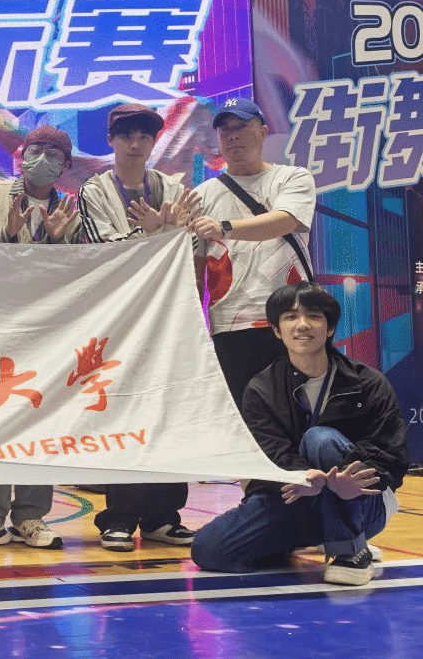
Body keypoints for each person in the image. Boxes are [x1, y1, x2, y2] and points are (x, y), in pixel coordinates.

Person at [191, 282, 408, 586]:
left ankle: (350, 551)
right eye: (290, 317)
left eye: (314, 316)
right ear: (277, 330)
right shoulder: (261, 389)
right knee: (210, 550)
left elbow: (391, 454)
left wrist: (352, 479)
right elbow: (269, 455)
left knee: (320, 439)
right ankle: (318, 535)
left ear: (330, 328)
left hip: (361, 501)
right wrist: (304, 477)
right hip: (296, 496)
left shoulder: (367, 382)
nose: (302, 325)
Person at [77, 103, 199, 551]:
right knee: (122, 414)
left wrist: (166, 233)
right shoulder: (93, 191)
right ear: (111, 141)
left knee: (169, 412)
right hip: (119, 320)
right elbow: (105, 251)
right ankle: (120, 518)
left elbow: (193, 242)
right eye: (126, 135)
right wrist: (155, 234)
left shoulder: (174, 187)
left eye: (144, 136)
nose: (135, 144)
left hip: (168, 317)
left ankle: (163, 516)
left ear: (153, 142)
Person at [0, 123, 80, 551]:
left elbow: (87, 270)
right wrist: (7, 235)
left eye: (53, 154)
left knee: (40, 421)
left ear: (66, 165)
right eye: (35, 149)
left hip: (49, 331)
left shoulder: (71, 208)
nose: (42, 159)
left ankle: (31, 516)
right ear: (21, 154)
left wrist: (59, 242)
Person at [187, 98, 317, 407]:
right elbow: (196, 269)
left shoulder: (293, 177)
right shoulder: (201, 195)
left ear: (262, 132)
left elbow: (285, 220)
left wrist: (224, 228)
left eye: (242, 126)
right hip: (231, 324)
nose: (233, 135)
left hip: (293, 316)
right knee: (245, 415)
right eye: (225, 130)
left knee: (301, 412)